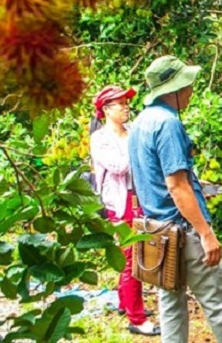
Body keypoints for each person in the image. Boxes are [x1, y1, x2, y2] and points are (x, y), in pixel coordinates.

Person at [128, 55, 222, 343]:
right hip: (184, 233)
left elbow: (151, 176)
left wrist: (194, 183)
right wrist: (206, 234)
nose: (191, 91)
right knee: (218, 305)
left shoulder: (141, 121)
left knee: (170, 305)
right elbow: (176, 186)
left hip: (156, 232)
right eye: (188, 85)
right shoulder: (168, 124)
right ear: (174, 89)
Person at [90, 86, 160, 337]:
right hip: (120, 205)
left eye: (126, 102)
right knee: (132, 260)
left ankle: (125, 303)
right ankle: (137, 319)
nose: (125, 107)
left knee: (135, 254)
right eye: (119, 103)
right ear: (106, 110)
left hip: (138, 200)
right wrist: (140, 148)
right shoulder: (100, 138)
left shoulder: (131, 131)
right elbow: (118, 166)